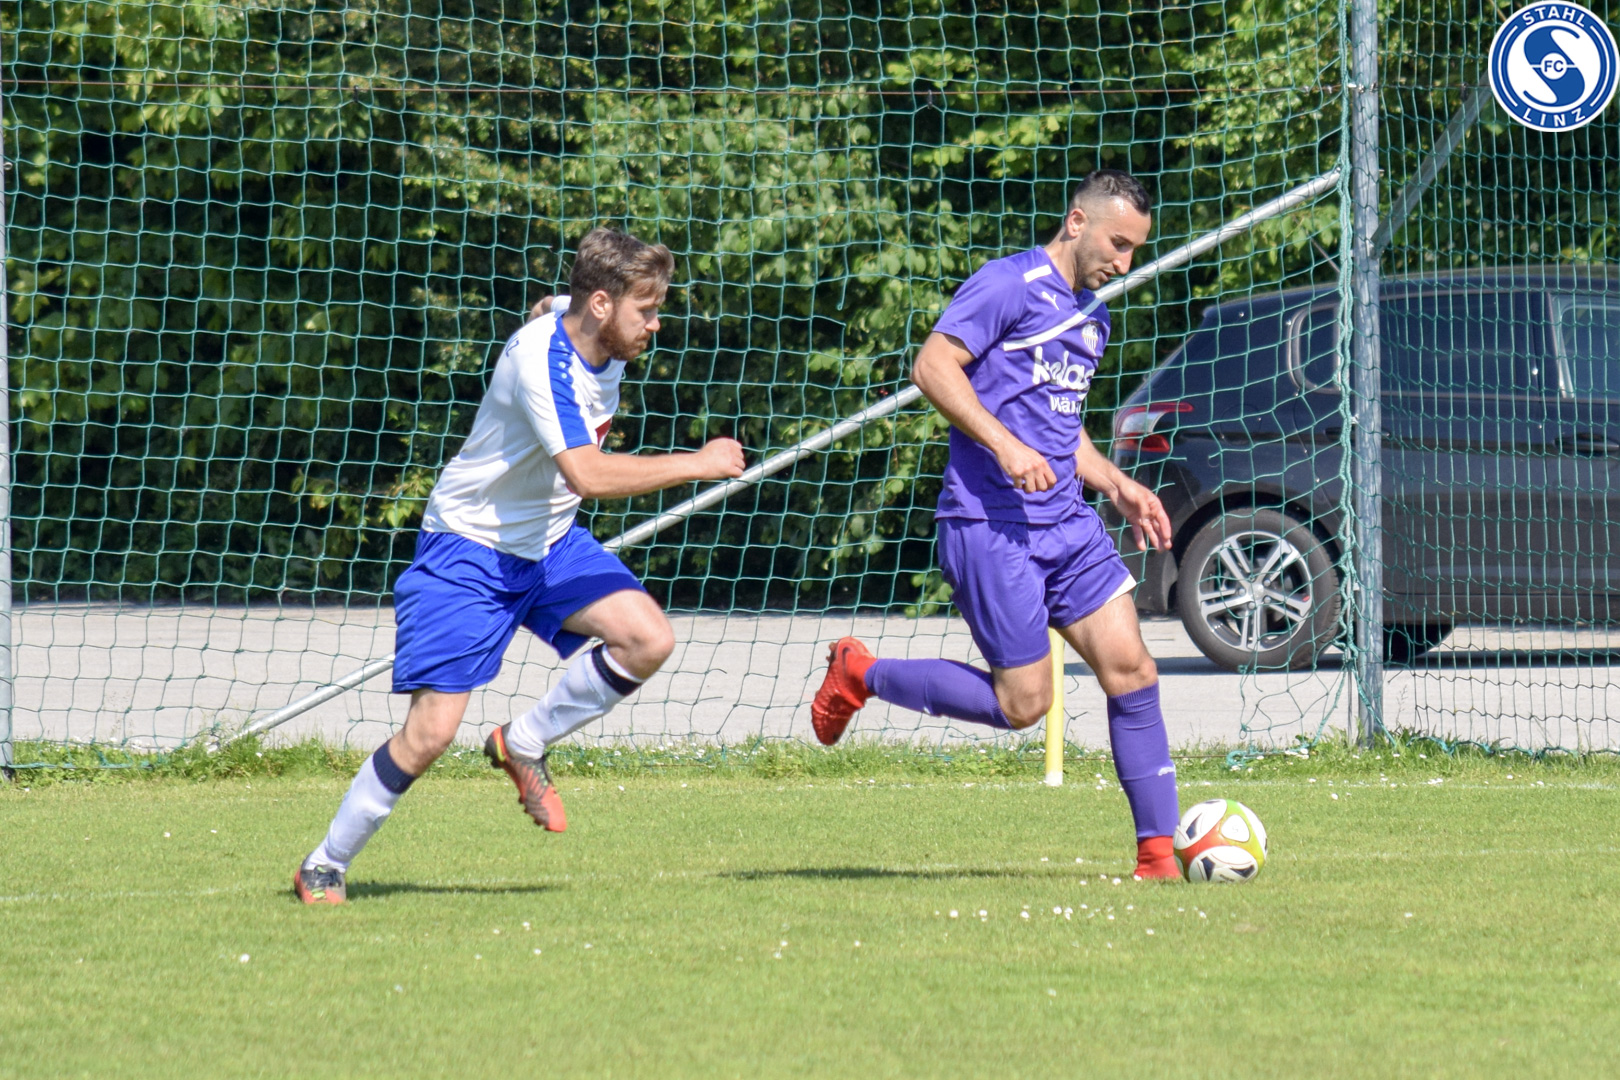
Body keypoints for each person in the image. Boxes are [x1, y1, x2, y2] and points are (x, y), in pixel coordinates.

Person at [295, 228, 746, 904]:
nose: (656, 324)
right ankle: (325, 863)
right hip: (469, 550)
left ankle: (523, 742)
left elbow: (551, 305)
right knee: (429, 735)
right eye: (647, 310)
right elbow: (588, 474)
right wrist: (698, 462)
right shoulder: (547, 366)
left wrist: (547, 307)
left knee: (647, 638)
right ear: (602, 304)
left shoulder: (585, 322)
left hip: (549, 540)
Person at [809, 170, 1183, 880]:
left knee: (1132, 670)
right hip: (989, 525)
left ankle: (1158, 858)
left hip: (1066, 523)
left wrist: (1116, 483)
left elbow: (1061, 427)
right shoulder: (1007, 285)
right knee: (1024, 705)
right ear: (1077, 222)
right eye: (1118, 243)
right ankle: (861, 673)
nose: (1125, 262)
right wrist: (1005, 447)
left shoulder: (1093, 318)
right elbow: (932, 367)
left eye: (1136, 249)